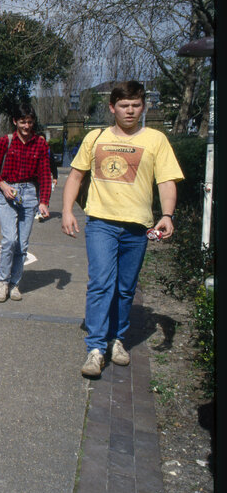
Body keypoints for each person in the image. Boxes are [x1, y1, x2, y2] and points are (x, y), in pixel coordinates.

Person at [61, 81, 183, 378]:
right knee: (101, 282)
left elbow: (166, 181)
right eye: (124, 105)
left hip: (137, 227)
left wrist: (167, 215)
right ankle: (96, 348)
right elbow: (76, 176)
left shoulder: (156, 139)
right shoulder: (96, 137)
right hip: (101, 222)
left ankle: (117, 340)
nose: (130, 111)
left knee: (125, 287)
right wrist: (66, 211)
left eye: (136, 105)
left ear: (144, 107)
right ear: (112, 107)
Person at [0, 103, 53, 303]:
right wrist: (3, 186)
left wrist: (44, 201)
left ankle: (15, 284)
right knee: (9, 240)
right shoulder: (4, 142)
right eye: (22, 121)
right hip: (8, 192)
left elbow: (44, 175)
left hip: (29, 193)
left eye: (30, 122)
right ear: (15, 121)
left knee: (22, 244)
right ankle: (3, 282)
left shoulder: (40, 144)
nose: (26, 126)